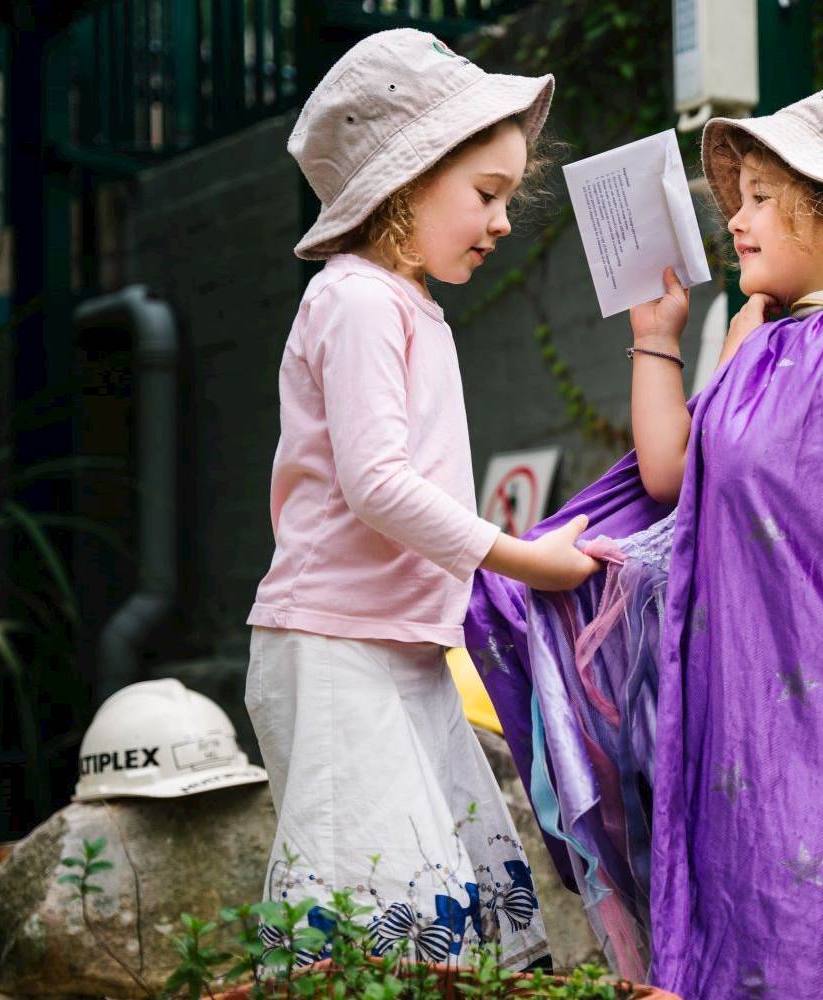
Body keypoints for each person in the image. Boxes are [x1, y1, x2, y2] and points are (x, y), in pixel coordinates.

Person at [466, 84, 823, 997]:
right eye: (736, 199)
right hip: (747, 728)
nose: (735, 219)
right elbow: (675, 474)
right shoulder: (779, 340)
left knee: (810, 959)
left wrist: (742, 362)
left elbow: (754, 479)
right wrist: (658, 336)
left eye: (760, 197)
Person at [244, 29, 597, 969]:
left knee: (439, 907)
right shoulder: (357, 302)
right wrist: (522, 561)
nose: (502, 221)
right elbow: (378, 485)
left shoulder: (407, 307)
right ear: (406, 184)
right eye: (486, 193)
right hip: (335, 648)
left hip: (395, 647)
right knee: (378, 915)